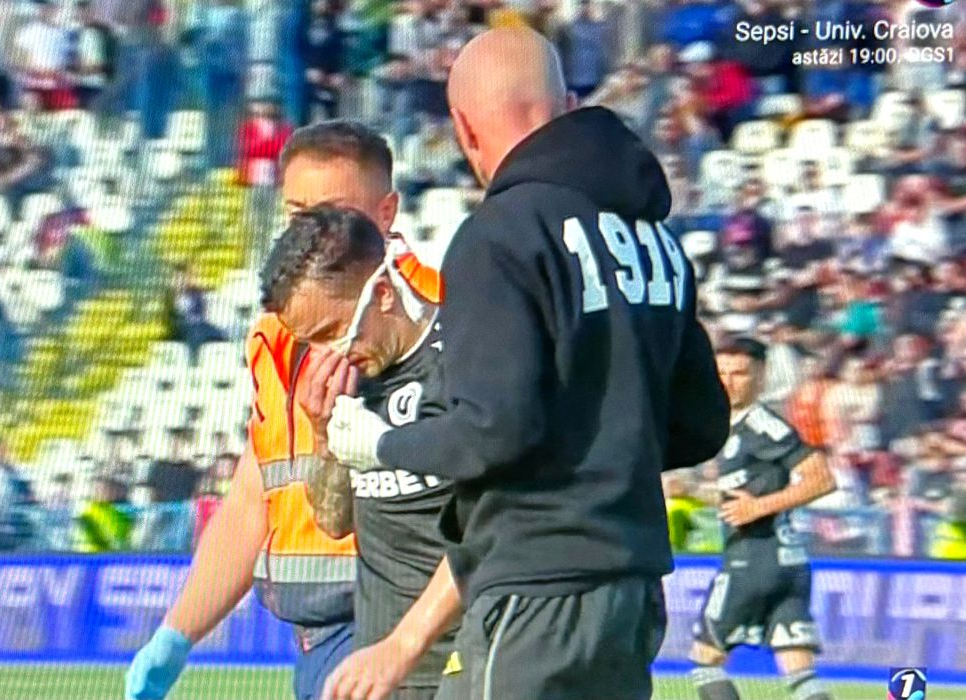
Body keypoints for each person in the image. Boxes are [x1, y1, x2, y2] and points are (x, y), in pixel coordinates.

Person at [325, 27, 728, 700]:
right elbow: (700, 425)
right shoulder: (654, 239)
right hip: (630, 589)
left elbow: (493, 430)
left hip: (534, 587)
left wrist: (382, 444)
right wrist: (603, 437)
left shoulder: (499, 235)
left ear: (463, 127)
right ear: (566, 106)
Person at [124, 121, 441, 700]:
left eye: (334, 214)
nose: (312, 235)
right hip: (315, 641)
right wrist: (176, 635)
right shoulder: (272, 338)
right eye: (298, 216)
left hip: (392, 628)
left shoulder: (436, 319)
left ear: (387, 213)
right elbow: (253, 501)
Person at [261, 206, 457, 700]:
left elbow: (492, 531)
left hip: (465, 664)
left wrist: (405, 644)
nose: (327, 355)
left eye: (331, 332)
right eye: (310, 343)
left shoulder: (463, 361)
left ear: (383, 293)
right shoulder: (353, 383)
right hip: (380, 671)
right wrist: (323, 434)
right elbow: (334, 523)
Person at [690, 337, 837, 700]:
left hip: (753, 560)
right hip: (788, 564)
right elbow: (743, 497)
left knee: (706, 661)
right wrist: (690, 489)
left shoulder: (763, 425)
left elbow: (821, 478)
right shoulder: (734, 427)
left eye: (740, 373)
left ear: (761, 375)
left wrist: (759, 508)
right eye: (722, 373)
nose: (728, 382)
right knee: (798, 669)